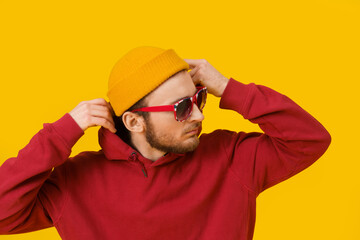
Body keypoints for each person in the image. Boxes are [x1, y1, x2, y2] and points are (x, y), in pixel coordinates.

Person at [0, 46, 331, 240]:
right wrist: (60, 133)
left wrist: (227, 87)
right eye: (181, 107)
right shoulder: (75, 182)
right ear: (133, 121)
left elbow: (309, 139)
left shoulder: (232, 159)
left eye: (198, 99)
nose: (199, 116)